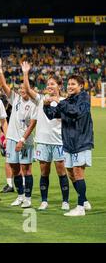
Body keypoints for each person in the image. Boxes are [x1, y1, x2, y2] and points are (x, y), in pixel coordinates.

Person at [21, 61, 70, 211]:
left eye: (53, 84)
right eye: (48, 84)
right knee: (44, 172)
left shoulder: (64, 102)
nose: (49, 86)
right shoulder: (41, 99)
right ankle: (44, 201)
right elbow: (28, 90)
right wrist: (25, 73)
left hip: (58, 142)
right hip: (42, 141)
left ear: (59, 86)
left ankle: (65, 201)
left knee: (61, 171)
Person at [44, 74, 94, 217]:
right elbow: (52, 115)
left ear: (80, 86)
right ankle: (84, 200)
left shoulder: (84, 98)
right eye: (69, 84)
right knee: (71, 173)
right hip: (68, 143)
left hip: (81, 141)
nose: (70, 86)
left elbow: (76, 112)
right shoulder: (66, 101)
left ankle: (80, 208)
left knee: (78, 172)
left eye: (73, 84)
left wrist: (57, 100)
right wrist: (46, 106)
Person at [0, 56, 37, 208]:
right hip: (11, 139)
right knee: (14, 168)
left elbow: (32, 124)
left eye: (25, 89)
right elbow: (3, 85)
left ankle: (28, 198)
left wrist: (25, 73)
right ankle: (20, 196)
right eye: (20, 89)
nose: (22, 91)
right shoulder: (15, 99)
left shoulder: (34, 103)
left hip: (25, 141)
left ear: (30, 90)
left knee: (26, 169)